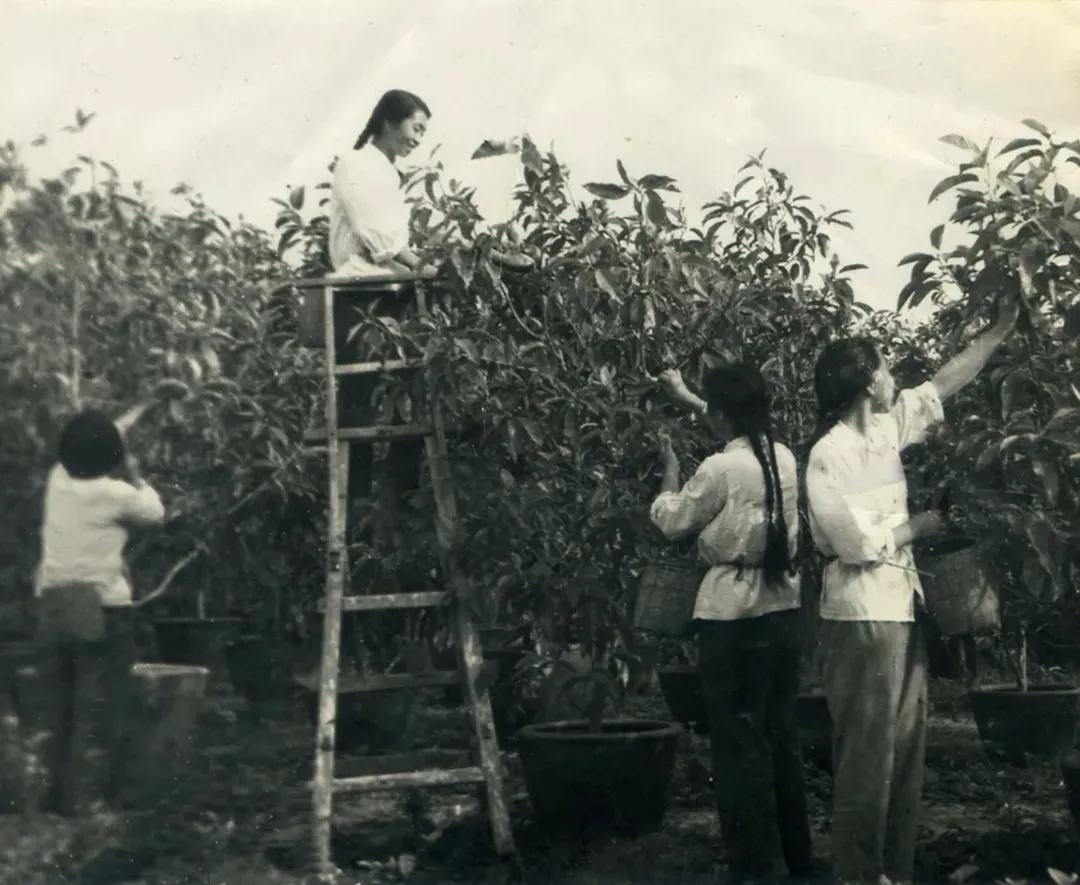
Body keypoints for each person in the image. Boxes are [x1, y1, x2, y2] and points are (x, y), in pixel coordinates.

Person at [805, 295, 1020, 884]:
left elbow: (943, 382)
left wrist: (997, 331)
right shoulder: (829, 456)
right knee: (867, 757)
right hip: (858, 617)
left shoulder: (882, 431)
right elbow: (850, 544)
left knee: (903, 757)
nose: (893, 376)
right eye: (884, 366)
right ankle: (858, 874)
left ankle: (892, 872)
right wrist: (915, 528)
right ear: (865, 381)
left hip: (900, 608)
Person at [652, 363, 813, 883]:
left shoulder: (719, 468)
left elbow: (674, 522)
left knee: (738, 744)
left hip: (731, 616)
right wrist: (688, 397)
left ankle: (753, 866)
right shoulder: (783, 457)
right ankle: (796, 857)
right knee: (779, 735)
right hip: (783, 608)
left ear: (723, 416)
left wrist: (669, 473)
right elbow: (738, 432)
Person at [32, 408, 165, 815]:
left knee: (62, 703)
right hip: (104, 610)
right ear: (114, 457)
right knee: (106, 704)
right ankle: (97, 799)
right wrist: (137, 472)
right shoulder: (119, 494)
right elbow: (157, 513)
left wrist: (139, 409)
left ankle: (58, 797)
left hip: (56, 605)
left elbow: (96, 439)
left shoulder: (58, 481)